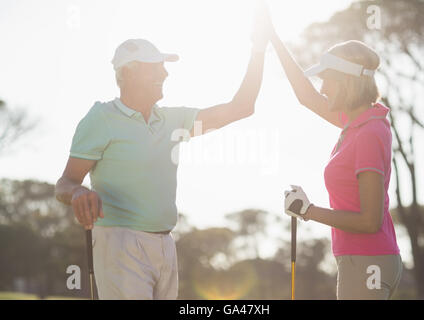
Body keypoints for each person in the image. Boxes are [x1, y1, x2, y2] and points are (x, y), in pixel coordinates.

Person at [55, 32, 267, 299]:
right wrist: (77, 192)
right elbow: (66, 182)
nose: (165, 74)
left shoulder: (172, 121)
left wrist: (258, 51)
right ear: (129, 72)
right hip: (120, 242)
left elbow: (241, 107)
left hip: (165, 243)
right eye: (156, 67)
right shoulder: (101, 118)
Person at [257, 4, 402, 299]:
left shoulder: (369, 133)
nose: (322, 88)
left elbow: (368, 221)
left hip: (367, 261)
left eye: (327, 80)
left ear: (346, 82)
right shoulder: (356, 123)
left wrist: (308, 211)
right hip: (365, 259)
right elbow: (305, 95)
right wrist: (273, 38)